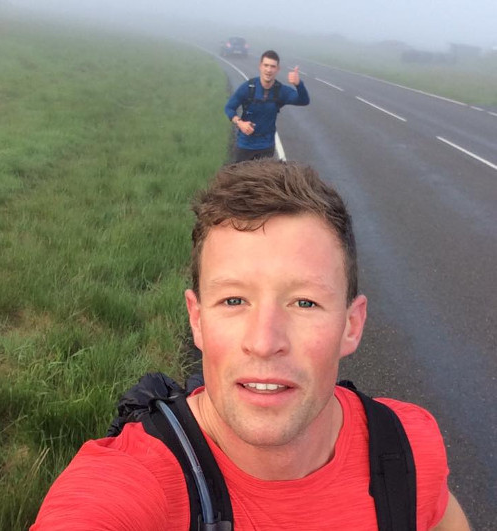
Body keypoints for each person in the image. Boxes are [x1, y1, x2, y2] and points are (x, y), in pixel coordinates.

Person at [32, 160, 470, 530]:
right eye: (234, 300)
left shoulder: (409, 448)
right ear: (198, 320)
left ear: (351, 325)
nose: (264, 342)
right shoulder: (133, 485)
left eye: (305, 302)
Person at [224, 50, 310, 162]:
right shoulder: (248, 87)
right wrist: (240, 123)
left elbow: (304, 101)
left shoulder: (281, 91)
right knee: (240, 179)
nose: (269, 70)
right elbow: (229, 108)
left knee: (264, 180)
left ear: (278, 69)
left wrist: (299, 84)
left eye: (273, 67)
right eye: (266, 65)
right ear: (260, 66)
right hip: (244, 146)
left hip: (266, 148)